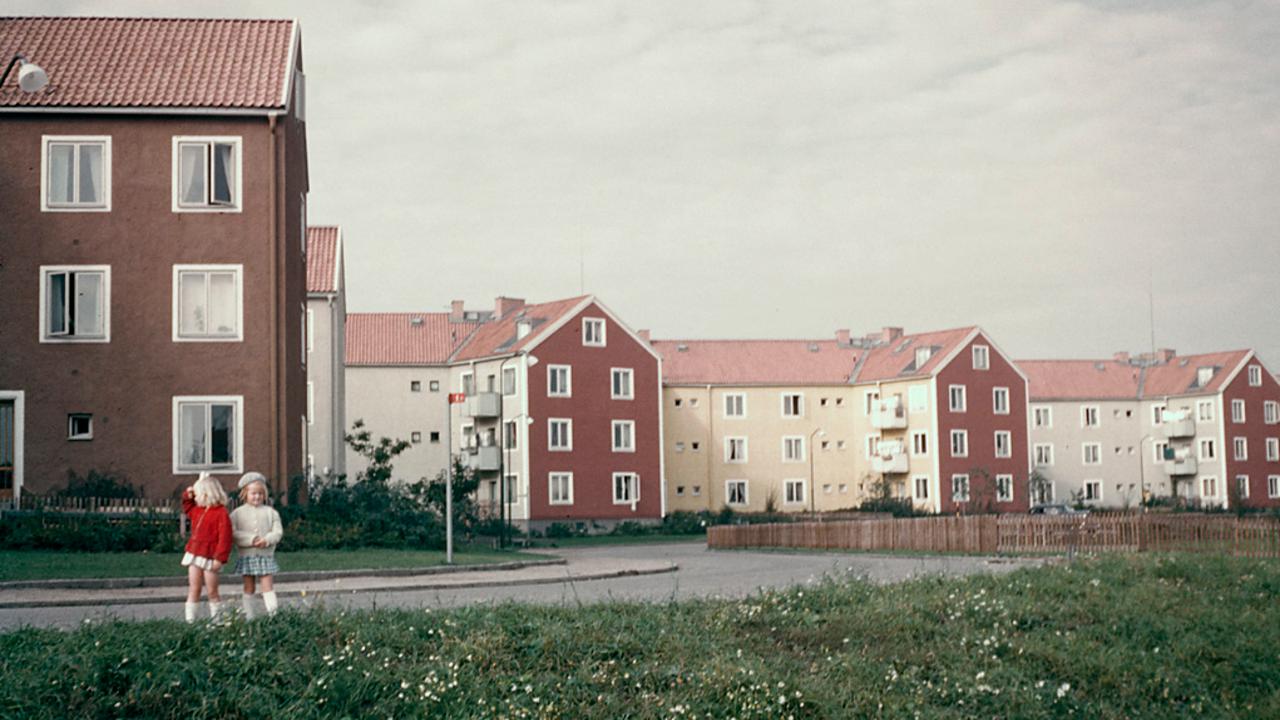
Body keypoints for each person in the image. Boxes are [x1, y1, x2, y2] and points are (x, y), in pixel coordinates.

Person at [230, 472, 283, 618]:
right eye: (253, 493)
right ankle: (250, 617)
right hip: (247, 556)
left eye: (260, 493)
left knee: (267, 587)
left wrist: (266, 540)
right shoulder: (237, 514)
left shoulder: (271, 513)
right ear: (245, 494)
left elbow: (277, 532)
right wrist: (251, 539)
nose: (257, 497)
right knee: (249, 587)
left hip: (265, 555)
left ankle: (274, 615)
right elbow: (233, 533)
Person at [181, 472, 232, 623]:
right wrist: (188, 493)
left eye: (196, 493)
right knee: (194, 588)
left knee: (212, 591)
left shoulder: (221, 513)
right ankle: (190, 621)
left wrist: (220, 558)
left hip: (211, 557)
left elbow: (225, 538)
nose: (194, 496)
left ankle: (217, 621)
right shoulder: (197, 510)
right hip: (195, 554)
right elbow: (186, 505)